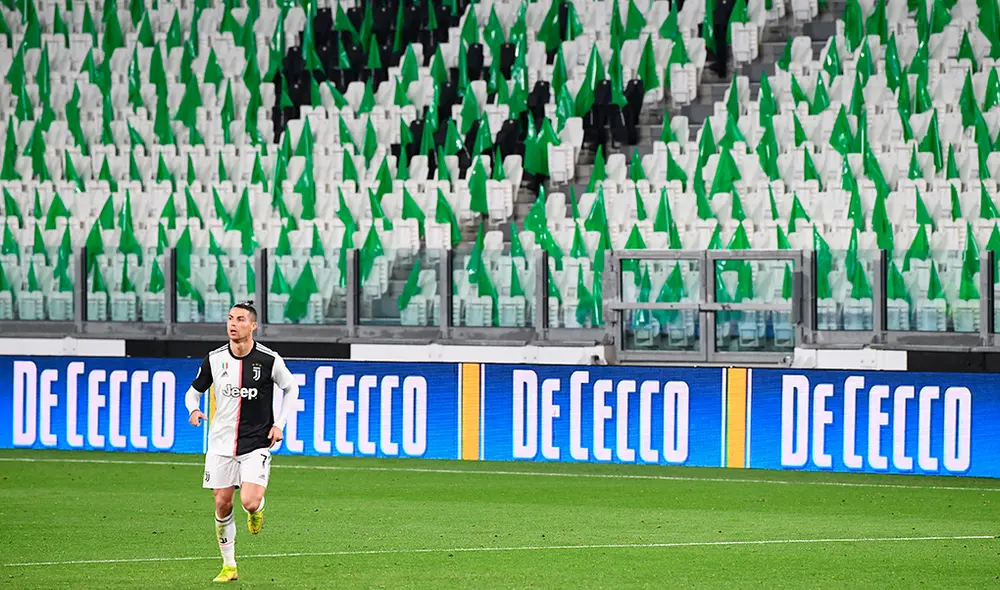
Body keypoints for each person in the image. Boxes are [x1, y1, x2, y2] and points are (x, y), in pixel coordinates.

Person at [185, 301, 300, 583]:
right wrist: (193, 409)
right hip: (220, 443)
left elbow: (292, 388)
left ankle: (256, 510)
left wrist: (279, 424)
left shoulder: (269, 359)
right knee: (222, 504)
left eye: (239, 319)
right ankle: (229, 566)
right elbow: (193, 392)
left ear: (253, 325)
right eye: (229, 319)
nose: (232, 324)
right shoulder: (214, 359)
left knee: (249, 501)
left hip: (256, 443)